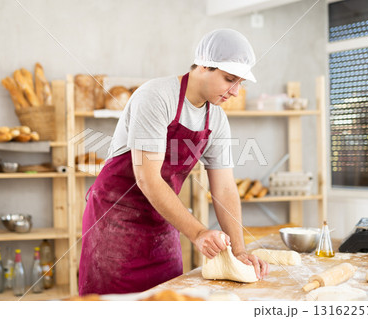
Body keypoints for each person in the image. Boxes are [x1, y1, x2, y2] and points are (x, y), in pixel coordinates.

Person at [78, 28, 269, 296]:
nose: (235, 92)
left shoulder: (216, 118)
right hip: (114, 222)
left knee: (167, 300)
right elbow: (148, 178)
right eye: (229, 79)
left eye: (240, 83)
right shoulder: (156, 97)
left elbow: (224, 187)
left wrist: (238, 250)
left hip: (163, 221)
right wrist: (200, 233)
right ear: (204, 65)